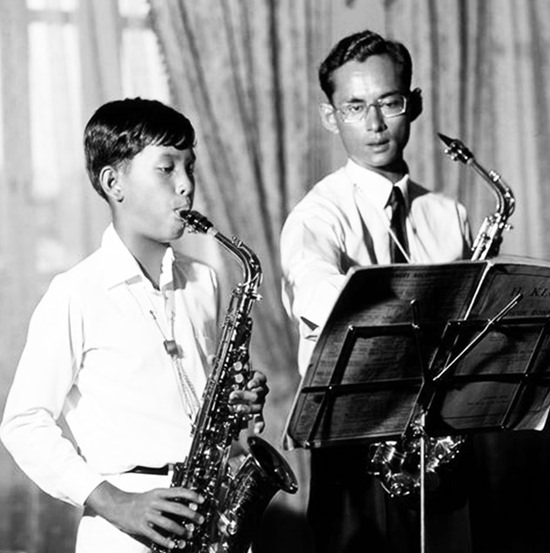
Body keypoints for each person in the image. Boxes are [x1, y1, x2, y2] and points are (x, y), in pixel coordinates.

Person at [1, 98, 268, 553]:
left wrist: (239, 406)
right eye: (166, 168)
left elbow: (197, 398)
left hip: (206, 511)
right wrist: (114, 501)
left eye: (190, 167)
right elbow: (23, 423)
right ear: (113, 182)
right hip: (123, 530)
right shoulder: (75, 292)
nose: (186, 186)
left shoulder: (204, 281)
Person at [280, 30, 473, 553]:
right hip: (355, 454)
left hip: (438, 449)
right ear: (330, 118)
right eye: (354, 107)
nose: (373, 124)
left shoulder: (447, 215)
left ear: (413, 105)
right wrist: (414, 309)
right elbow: (317, 296)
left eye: (388, 103)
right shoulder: (318, 216)